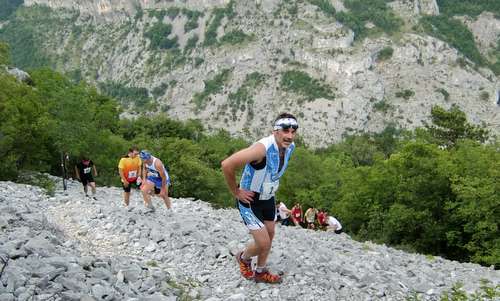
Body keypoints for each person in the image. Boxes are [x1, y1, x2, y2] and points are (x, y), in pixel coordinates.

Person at [221, 113, 298, 284]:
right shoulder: (261, 149)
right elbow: (227, 165)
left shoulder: (289, 147)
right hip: (249, 200)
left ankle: (261, 271)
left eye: (293, 131)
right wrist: (236, 191)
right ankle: (244, 258)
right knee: (263, 243)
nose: (290, 135)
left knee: (270, 236)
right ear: (275, 131)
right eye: (285, 130)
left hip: (268, 197)